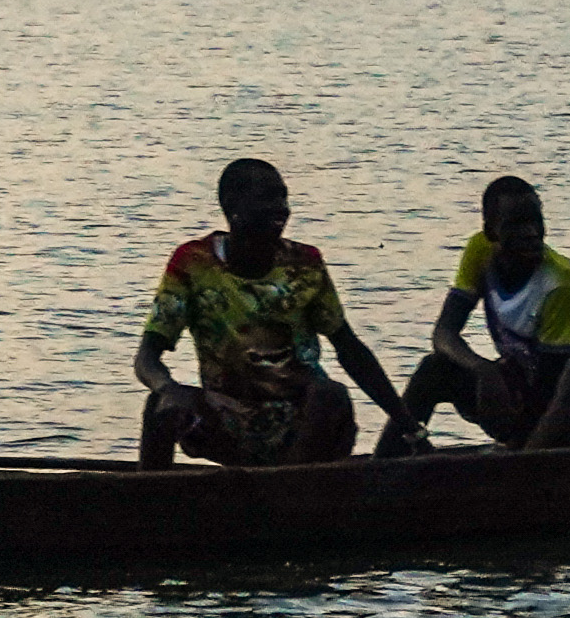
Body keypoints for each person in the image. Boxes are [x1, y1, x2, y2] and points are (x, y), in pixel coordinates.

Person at [131, 158, 414, 468]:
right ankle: (145, 504)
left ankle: (287, 493)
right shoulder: (194, 263)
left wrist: (406, 423)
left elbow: (349, 348)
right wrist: (168, 390)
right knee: (160, 405)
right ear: (232, 206)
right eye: (268, 197)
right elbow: (147, 358)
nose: (282, 208)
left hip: (304, 422)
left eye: (283, 198)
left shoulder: (304, 264)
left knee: (330, 395)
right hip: (230, 420)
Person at [385, 174, 570, 451]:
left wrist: (517, 433)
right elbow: (444, 334)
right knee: (434, 368)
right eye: (516, 225)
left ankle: (523, 470)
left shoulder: (558, 281)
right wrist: (484, 370)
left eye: (536, 222)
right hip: (524, 384)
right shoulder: (479, 251)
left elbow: (551, 384)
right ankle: (382, 464)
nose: (531, 233)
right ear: (491, 232)